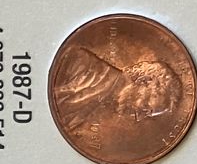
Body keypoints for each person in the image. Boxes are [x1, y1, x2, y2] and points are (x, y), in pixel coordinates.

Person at [52, 46, 182, 136]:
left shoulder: (99, 105)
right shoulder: (79, 61)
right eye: (146, 106)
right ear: (143, 81)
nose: (138, 117)